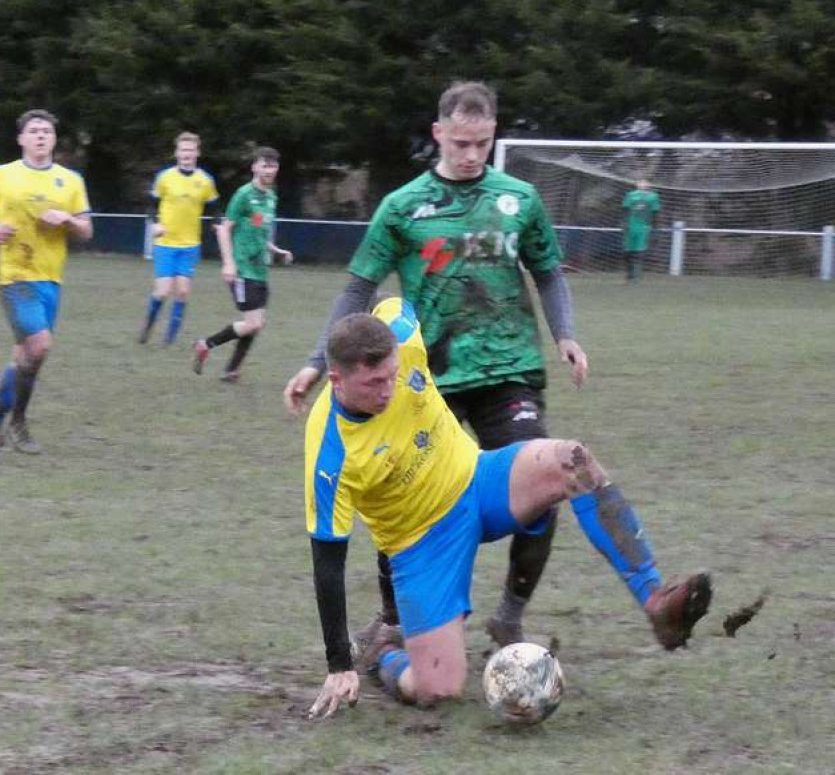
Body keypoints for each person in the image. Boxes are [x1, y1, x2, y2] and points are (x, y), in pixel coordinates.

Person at [285, 81, 588, 651]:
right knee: (401, 498)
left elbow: (548, 271)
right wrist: (313, 360)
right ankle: (395, 620)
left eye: (482, 142)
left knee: (547, 490)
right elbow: (358, 289)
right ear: (439, 133)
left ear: (493, 134)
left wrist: (566, 334)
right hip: (423, 379)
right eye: (461, 143)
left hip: (507, 372)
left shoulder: (519, 198)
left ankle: (509, 615)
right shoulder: (401, 208)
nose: (472, 154)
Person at [304, 299, 712, 718]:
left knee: (572, 460)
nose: (388, 391)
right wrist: (339, 664)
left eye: (392, 375)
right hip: (423, 544)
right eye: (373, 383)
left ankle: (656, 601)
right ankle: (384, 653)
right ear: (335, 380)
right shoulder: (329, 454)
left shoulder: (399, 327)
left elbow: (397, 304)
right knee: (437, 691)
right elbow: (328, 563)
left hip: (480, 479)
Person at [0, 109, 93, 454]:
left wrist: (67, 219)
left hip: (51, 279)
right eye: (34, 130)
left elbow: (86, 230)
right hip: (15, 277)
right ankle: (18, 424)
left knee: (24, 356)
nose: (40, 136)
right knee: (39, 345)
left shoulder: (70, 181)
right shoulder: (2, 175)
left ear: (53, 139)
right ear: (21, 138)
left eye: (47, 131)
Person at [192, 147, 293, 381]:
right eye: (265, 165)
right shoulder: (243, 194)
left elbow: (259, 228)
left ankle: (231, 370)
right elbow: (224, 229)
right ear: (255, 167)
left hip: (260, 269)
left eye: (273, 165)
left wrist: (276, 250)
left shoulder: (270, 197)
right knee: (253, 322)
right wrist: (228, 264)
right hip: (242, 267)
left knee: (256, 323)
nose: (269, 170)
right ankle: (205, 344)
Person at [138, 132, 219, 345]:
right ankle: (147, 327)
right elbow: (151, 205)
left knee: (182, 292)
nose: (187, 154)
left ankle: (169, 339)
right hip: (165, 244)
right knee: (162, 292)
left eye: (191, 150)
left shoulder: (205, 181)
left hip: (190, 245)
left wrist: (218, 225)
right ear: (177, 152)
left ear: (197, 153)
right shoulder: (165, 178)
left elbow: (214, 210)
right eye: (183, 150)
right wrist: (155, 223)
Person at [622, 178, 661, 283]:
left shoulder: (653, 196)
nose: (642, 184)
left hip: (644, 227)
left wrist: (655, 228)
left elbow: (655, 213)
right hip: (630, 227)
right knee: (627, 252)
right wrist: (624, 224)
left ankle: (635, 277)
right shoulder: (630, 195)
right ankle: (629, 275)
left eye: (645, 182)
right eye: (640, 182)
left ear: (649, 184)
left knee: (639, 252)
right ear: (637, 184)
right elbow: (625, 210)